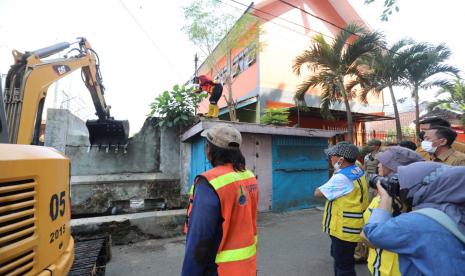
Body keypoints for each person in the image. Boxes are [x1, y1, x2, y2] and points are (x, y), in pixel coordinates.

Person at [182, 124, 259, 276]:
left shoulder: (209, 182)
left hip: (219, 270)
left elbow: (199, 242)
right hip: (247, 268)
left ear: (209, 149)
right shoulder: (249, 176)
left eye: (207, 145)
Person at [362, 162, 465, 275]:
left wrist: (385, 197)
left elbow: (373, 234)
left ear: (426, 186)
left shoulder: (419, 222)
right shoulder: (454, 211)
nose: (401, 188)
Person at [362, 146, 424, 276]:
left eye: (384, 163)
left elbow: (370, 238)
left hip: (393, 269)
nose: (379, 165)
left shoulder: (398, 199)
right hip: (379, 264)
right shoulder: (386, 192)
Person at [314, 142, 369, 276]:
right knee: (342, 260)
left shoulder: (341, 178)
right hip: (352, 225)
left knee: (344, 266)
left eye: (332, 156)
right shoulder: (356, 169)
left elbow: (318, 193)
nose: (330, 159)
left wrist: (335, 173)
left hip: (343, 229)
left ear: (341, 160)